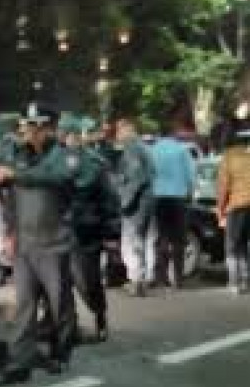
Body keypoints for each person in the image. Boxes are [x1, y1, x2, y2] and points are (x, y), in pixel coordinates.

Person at [0, 106, 80, 386]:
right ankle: (19, 362)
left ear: (48, 128)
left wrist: (15, 174)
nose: (27, 131)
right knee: (24, 305)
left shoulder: (65, 156)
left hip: (54, 242)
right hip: (25, 242)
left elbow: (56, 178)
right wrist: (9, 232)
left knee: (59, 303)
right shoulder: (19, 155)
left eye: (33, 126)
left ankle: (61, 351)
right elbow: (12, 198)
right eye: (26, 125)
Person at [62, 128, 119, 341]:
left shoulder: (95, 164)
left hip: (86, 231)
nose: (71, 138)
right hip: (57, 230)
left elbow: (109, 200)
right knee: (59, 281)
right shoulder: (53, 161)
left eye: (75, 134)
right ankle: (65, 325)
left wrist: (111, 233)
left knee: (87, 281)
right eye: (67, 134)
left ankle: (99, 316)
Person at [148, 124, 196, 290]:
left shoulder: (152, 150)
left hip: (158, 197)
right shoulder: (182, 150)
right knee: (178, 240)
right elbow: (191, 175)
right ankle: (178, 279)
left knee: (161, 238)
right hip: (178, 198)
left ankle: (160, 277)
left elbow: (148, 174)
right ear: (173, 134)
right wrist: (190, 192)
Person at [115, 117, 156, 296]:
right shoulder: (144, 148)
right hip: (147, 200)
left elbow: (136, 177)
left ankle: (136, 280)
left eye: (119, 131)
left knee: (132, 242)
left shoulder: (132, 148)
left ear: (128, 130)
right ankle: (143, 279)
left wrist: (125, 202)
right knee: (144, 240)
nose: (117, 135)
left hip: (136, 203)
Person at [216, 119, 250, 295]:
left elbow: (223, 187)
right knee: (244, 244)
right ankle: (245, 280)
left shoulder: (228, 157)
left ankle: (234, 281)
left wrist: (220, 209)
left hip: (236, 205)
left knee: (232, 245)